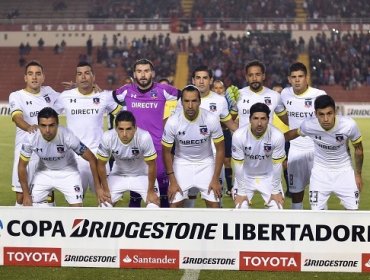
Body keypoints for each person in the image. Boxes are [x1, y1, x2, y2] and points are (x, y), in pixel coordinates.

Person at [113, 58, 179, 208]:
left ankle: (164, 228)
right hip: (134, 151)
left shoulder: (163, 90)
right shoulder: (126, 91)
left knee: (162, 196)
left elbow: (187, 96)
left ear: (153, 73)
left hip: (158, 150)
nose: (143, 75)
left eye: (146, 71)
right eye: (139, 71)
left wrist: (171, 120)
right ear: (134, 74)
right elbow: (105, 98)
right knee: (135, 196)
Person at [285, 95, 363, 210]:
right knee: (317, 214)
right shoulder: (309, 125)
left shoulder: (348, 125)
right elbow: (293, 133)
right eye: (321, 114)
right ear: (315, 114)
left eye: (329, 113)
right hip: (320, 173)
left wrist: (358, 175)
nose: (326, 119)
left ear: (335, 112)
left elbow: (359, 150)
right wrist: (273, 140)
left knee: (353, 212)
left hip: (345, 172)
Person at [54, 61, 121, 194]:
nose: (83, 77)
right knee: (76, 201)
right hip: (75, 156)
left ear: (93, 77)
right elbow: (49, 116)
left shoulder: (103, 96)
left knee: (107, 200)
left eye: (87, 73)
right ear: (76, 78)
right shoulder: (65, 97)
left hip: (99, 155)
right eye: (79, 74)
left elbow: (121, 112)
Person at [176, 66, 237, 207]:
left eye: (205, 78)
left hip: (214, 157)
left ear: (211, 80)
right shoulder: (184, 99)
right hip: (188, 157)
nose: (201, 81)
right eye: (198, 78)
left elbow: (230, 124)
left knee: (215, 199)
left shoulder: (220, 101)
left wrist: (249, 133)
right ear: (193, 80)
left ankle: (217, 228)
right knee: (187, 199)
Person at [18, 107, 100, 207]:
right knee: (28, 205)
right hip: (44, 172)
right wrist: (26, 194)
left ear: (57, 124)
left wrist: (98, 186)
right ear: (38, 125)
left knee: (77, 210)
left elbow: (92, 158)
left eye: (51, 125)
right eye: (43, 126)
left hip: (68, 173)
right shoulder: (31, 138)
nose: (47, 130)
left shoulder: (67, 136)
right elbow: (21, 166)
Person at [162, 85, 225, 208]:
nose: (190, 105)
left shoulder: (211, 119)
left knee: (215, 207)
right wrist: (173, 181)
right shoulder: (173, 121)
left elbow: (221, 149)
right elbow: (166, 152)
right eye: (186, 101)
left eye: (194, 101)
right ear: (181, 102)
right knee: (174, 207)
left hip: (206, 163)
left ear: (200, 101)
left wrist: (216, 178)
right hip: (181, 164)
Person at [9, 60, 59, 206]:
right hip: (25, 154)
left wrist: (77, 88)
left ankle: (47, 225)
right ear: (25, 77)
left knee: (47, 197)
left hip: (46, 154)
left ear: (43, 77)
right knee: (21, 196)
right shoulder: (17, 96)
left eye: (38, 74)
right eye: (30, 74)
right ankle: (19, 226)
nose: (34, 77)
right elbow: (17, 118)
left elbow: (67, 100)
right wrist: (29, 127)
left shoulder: (49, 92)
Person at [281, 62, 327, 209]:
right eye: (293, 77)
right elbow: (283, 114)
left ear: (306, 78)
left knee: (319, 194)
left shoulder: (318, 95)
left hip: (316, 150)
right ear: (289, 79)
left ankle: (321, 225)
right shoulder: (285, 94)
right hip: (295, 150)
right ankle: (297, 226)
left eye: (300, 76)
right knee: (296, 194)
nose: (297, 80)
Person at [96, 111, 159, 208]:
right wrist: (105, 188)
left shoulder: (144, 137)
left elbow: (152, 165)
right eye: (121, 129)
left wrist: (150, 191)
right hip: (118, 175)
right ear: (116, 129)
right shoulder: (107, 137)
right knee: (104, 206)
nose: (124, 134)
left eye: (128, 129)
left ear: (135, 128)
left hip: (143, 175)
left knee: (154, 207)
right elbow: (100, 164)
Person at [232, 103, 286, 209]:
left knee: (277, 208)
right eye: (255, 118)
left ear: (268, 119)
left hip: (269, 177)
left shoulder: (277, 136)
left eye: (263, 119)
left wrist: (275, 191)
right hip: (245, 176)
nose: (259, 123)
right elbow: (238, 166)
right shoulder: (239, 135)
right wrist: (242, 192)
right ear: (250, 119)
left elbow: (277, 166)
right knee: (241, 208)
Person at [230, 60, 288, 128]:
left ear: (263, 76)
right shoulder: (238, 94)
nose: (254, 78)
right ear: (246, 77)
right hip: (244, 138)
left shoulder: (275, 96)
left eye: (258, 74)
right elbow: (228, 123)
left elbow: (289, 122)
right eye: (250, 75)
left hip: (267, 138)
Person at [212, 79, 233, 196]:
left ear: (224, 90)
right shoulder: (208, 102)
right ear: (212, 89)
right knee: (213, 161)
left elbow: (231, 119)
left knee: (227, 161)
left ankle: (229, 187)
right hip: (212, 136)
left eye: (220, 88)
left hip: (225, 133)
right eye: (216, 88)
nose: (218, 90)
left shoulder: (227, 101)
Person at [271, 82, 291, 198]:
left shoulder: (287, 107)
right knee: (273, 165)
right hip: (272, 139)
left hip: (286, 137)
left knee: (285, 164)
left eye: (280, 92)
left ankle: (289, 188)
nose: (278, 95)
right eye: (276, 92)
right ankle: (274, 188)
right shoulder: (269, 108)